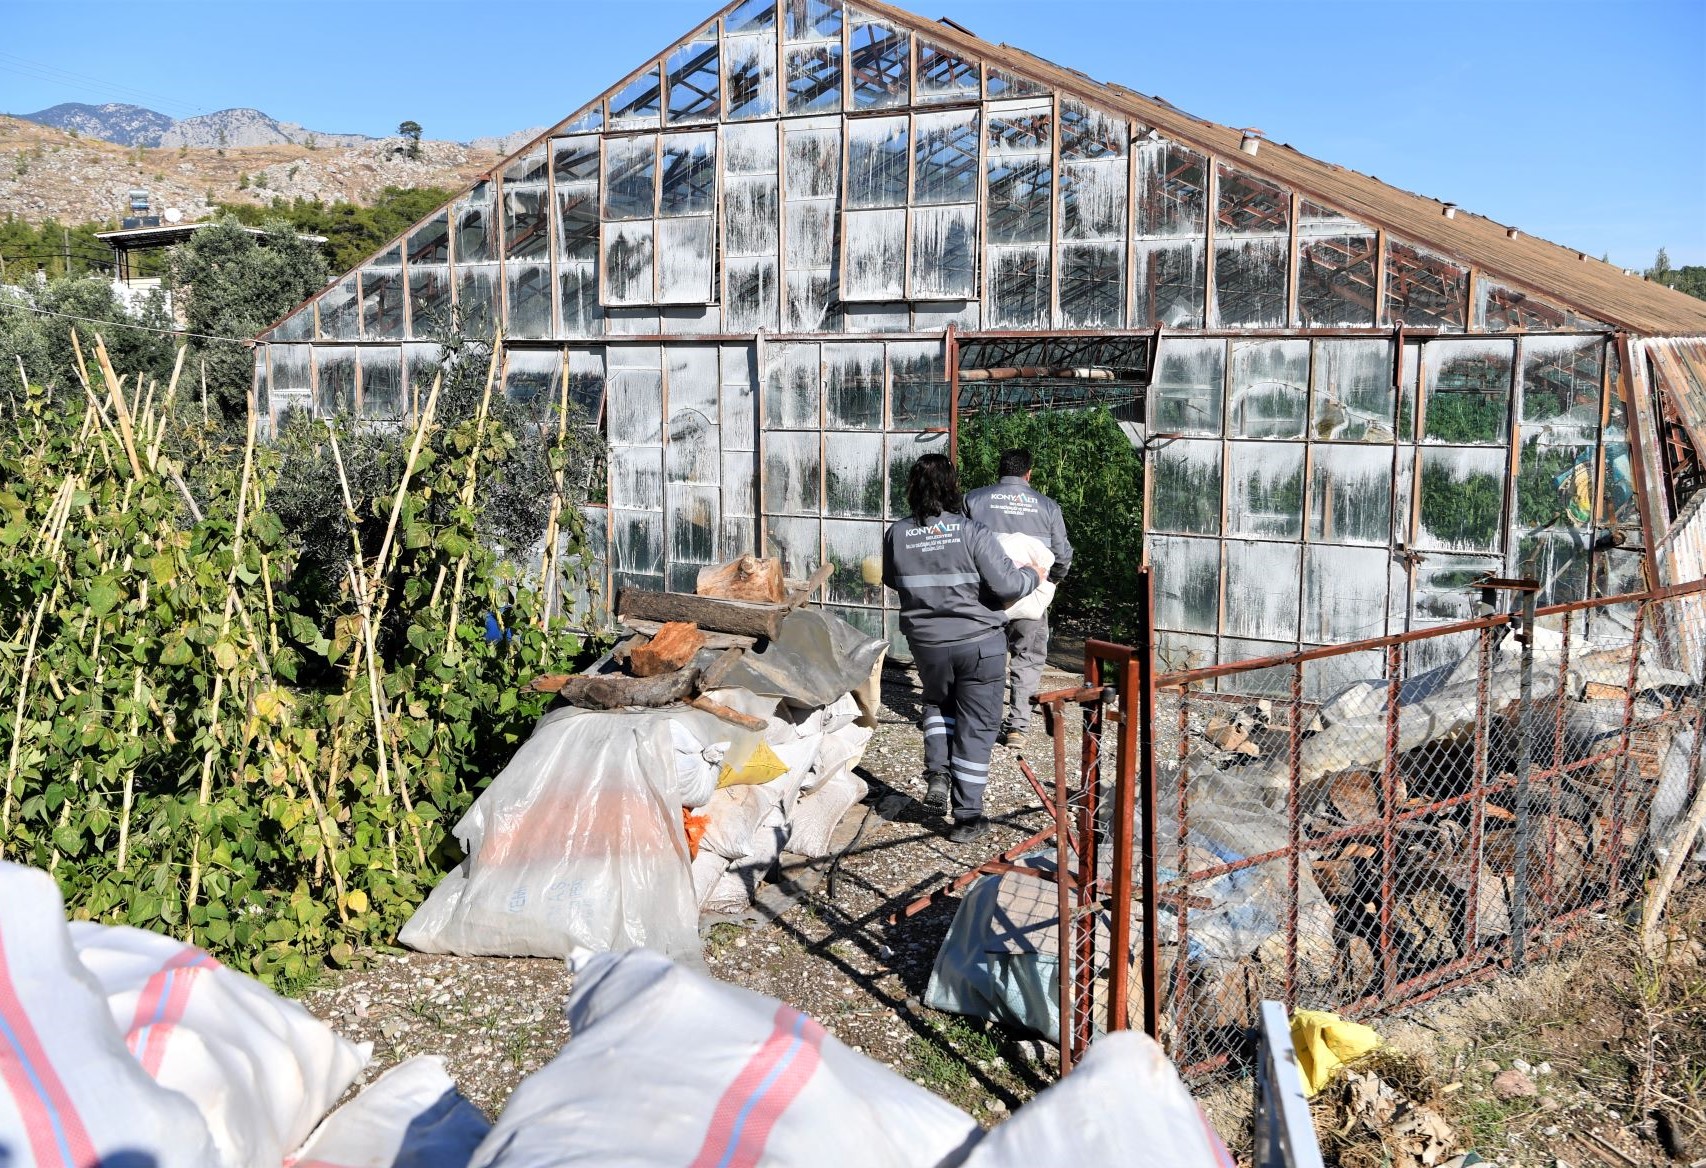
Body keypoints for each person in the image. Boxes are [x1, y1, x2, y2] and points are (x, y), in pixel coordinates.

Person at [883, 453, 1042, 844]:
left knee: (938, 703)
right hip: (978, 644)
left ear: (912, 489)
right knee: (978, 724)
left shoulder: (897, 533)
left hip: (927, 645)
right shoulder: (971, 532)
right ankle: (967, 817)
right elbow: (1006, 586)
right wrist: (1032, 577)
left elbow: (893, 580)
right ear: (953, 487)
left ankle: (938, 769)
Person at [964, 448, 1074, 746]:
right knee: (1027, 657)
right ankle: (1017, 728)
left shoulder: (974, 499)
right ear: (1029, 474)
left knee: (984, 656)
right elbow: (1062, 555)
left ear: (999, 472)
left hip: (985, 596)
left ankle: (979, 721)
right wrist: (1052, 581)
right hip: (1031, 595)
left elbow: (960, 547)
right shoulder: (1048, 506)